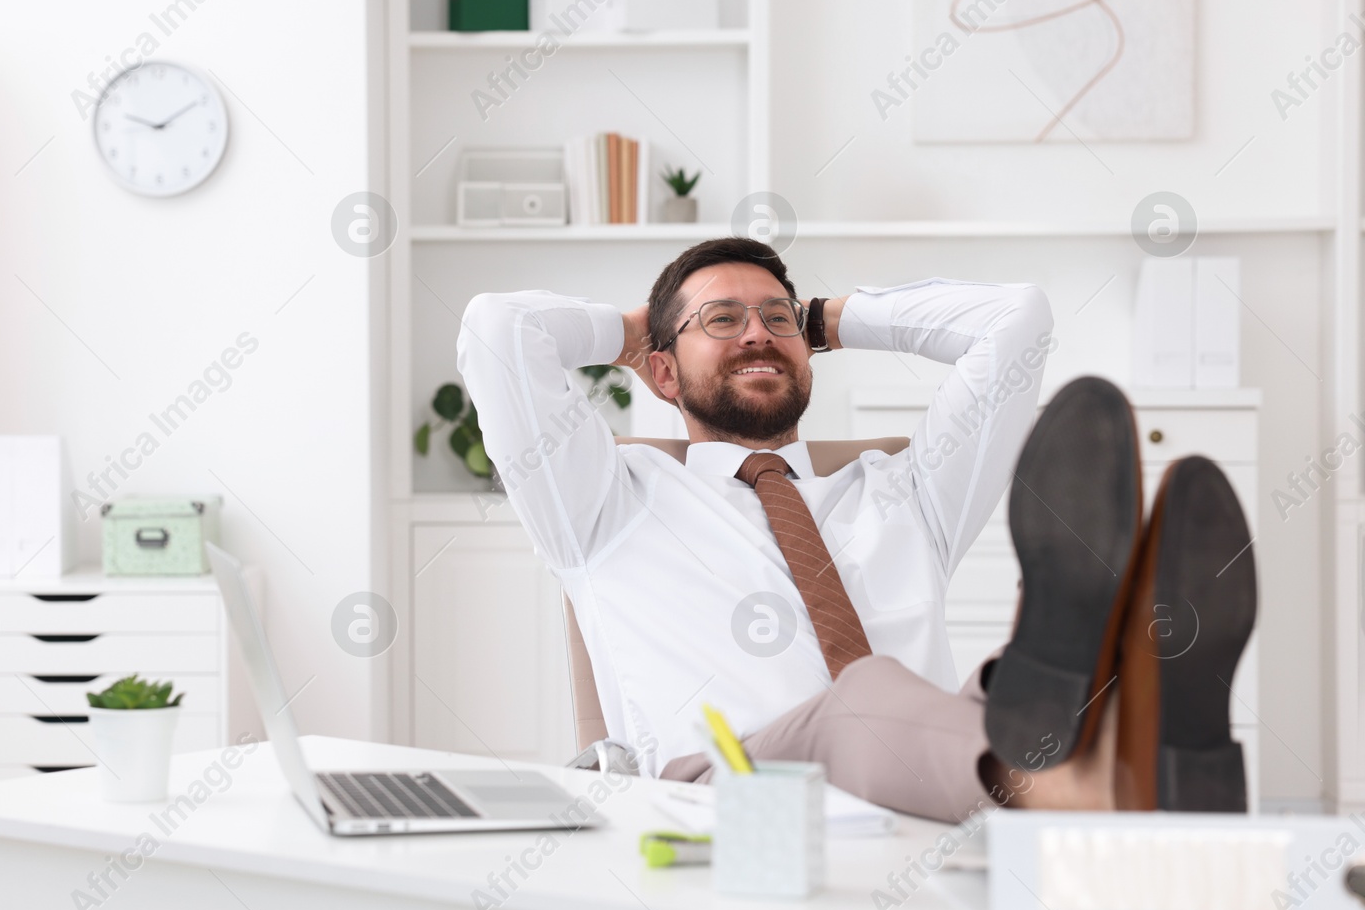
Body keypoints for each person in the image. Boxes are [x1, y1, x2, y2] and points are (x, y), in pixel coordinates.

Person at [456, 238, 1255, 822]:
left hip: (928, 792)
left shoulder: (903, 491)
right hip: (721, 800)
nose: (757, 333)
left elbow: (1017, 321)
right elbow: (497, 331)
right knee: (861, 699)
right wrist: (632, 329)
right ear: (662, 370)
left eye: (777, 319)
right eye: (722, 319)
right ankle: (1073, 780)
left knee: (999, 686)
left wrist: (827, 316)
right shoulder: (604, 500)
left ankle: (1111, 723)